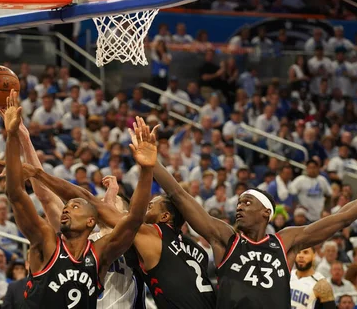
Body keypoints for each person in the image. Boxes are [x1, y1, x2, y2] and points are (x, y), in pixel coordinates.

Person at [150, 144, 357, 309]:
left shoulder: (284, 241)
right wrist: (154, 165)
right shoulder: (227, 238)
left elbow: (342, 217)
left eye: (247, 202)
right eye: (238, 203)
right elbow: (180, 196)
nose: (240, 207)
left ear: (266, 212)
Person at [28, 119, 216, 308]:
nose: (145, 210)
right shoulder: (196, 249)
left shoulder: (143, 235)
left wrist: (146, 169)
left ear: (165, 217)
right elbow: (51, 199)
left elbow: (118, 214)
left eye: (150, 206)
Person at [0, 90, 155, 308]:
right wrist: (20, 137)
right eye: (102, 203)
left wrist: (146, 171)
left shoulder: (126, 242)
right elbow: (39, 196)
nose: (105, 205)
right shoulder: (61, 241)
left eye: (112, 204)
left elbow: (132, 218)